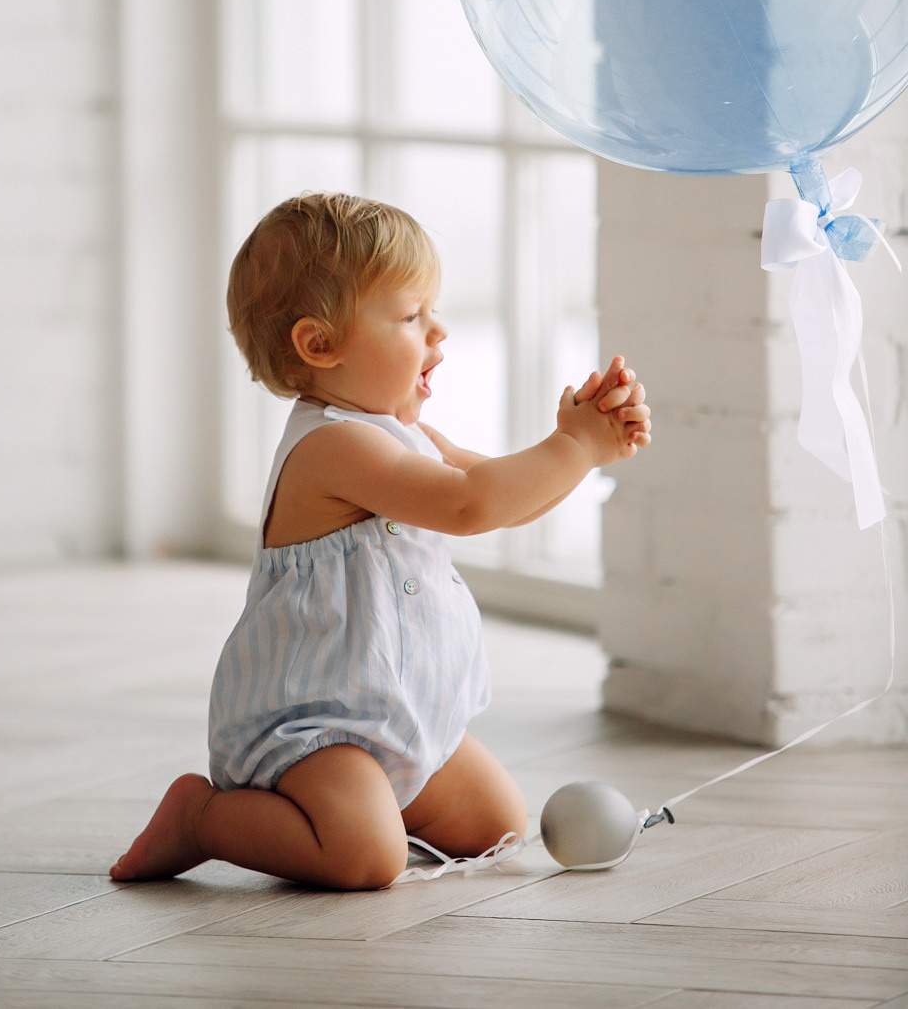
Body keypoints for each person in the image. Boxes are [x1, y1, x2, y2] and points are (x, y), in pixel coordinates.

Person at [110, 192, 651, 891]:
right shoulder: (332, 447)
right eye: (410, 317)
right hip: (313, 727)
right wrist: (572, 446)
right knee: (365, 861)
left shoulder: (408, 435)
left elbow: (500, 496)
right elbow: (469, 506)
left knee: (499, 827)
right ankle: (204, 818)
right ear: (320, 345)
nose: (440, 333)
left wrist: (588, 447)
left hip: (400, 714)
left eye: (434, 312)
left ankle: (379, 801)